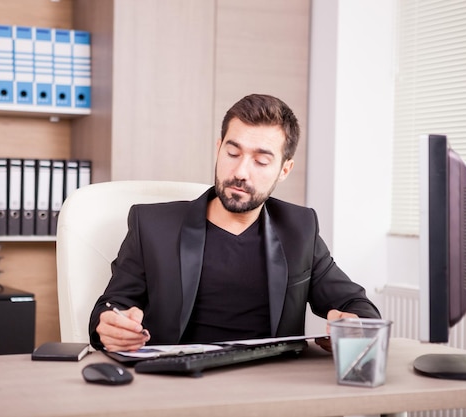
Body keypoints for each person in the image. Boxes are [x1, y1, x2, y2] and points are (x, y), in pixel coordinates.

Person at [89, 93, 380, 353]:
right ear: (218, 149)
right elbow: (110, 306)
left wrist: (352, 326)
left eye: (261, 161)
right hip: (176, 385)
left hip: (269, 389)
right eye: (232, 153)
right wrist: (111, 327)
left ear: (284, 169)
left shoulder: (299, 229)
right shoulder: (152, 225)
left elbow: (359, 306)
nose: (240, 171)